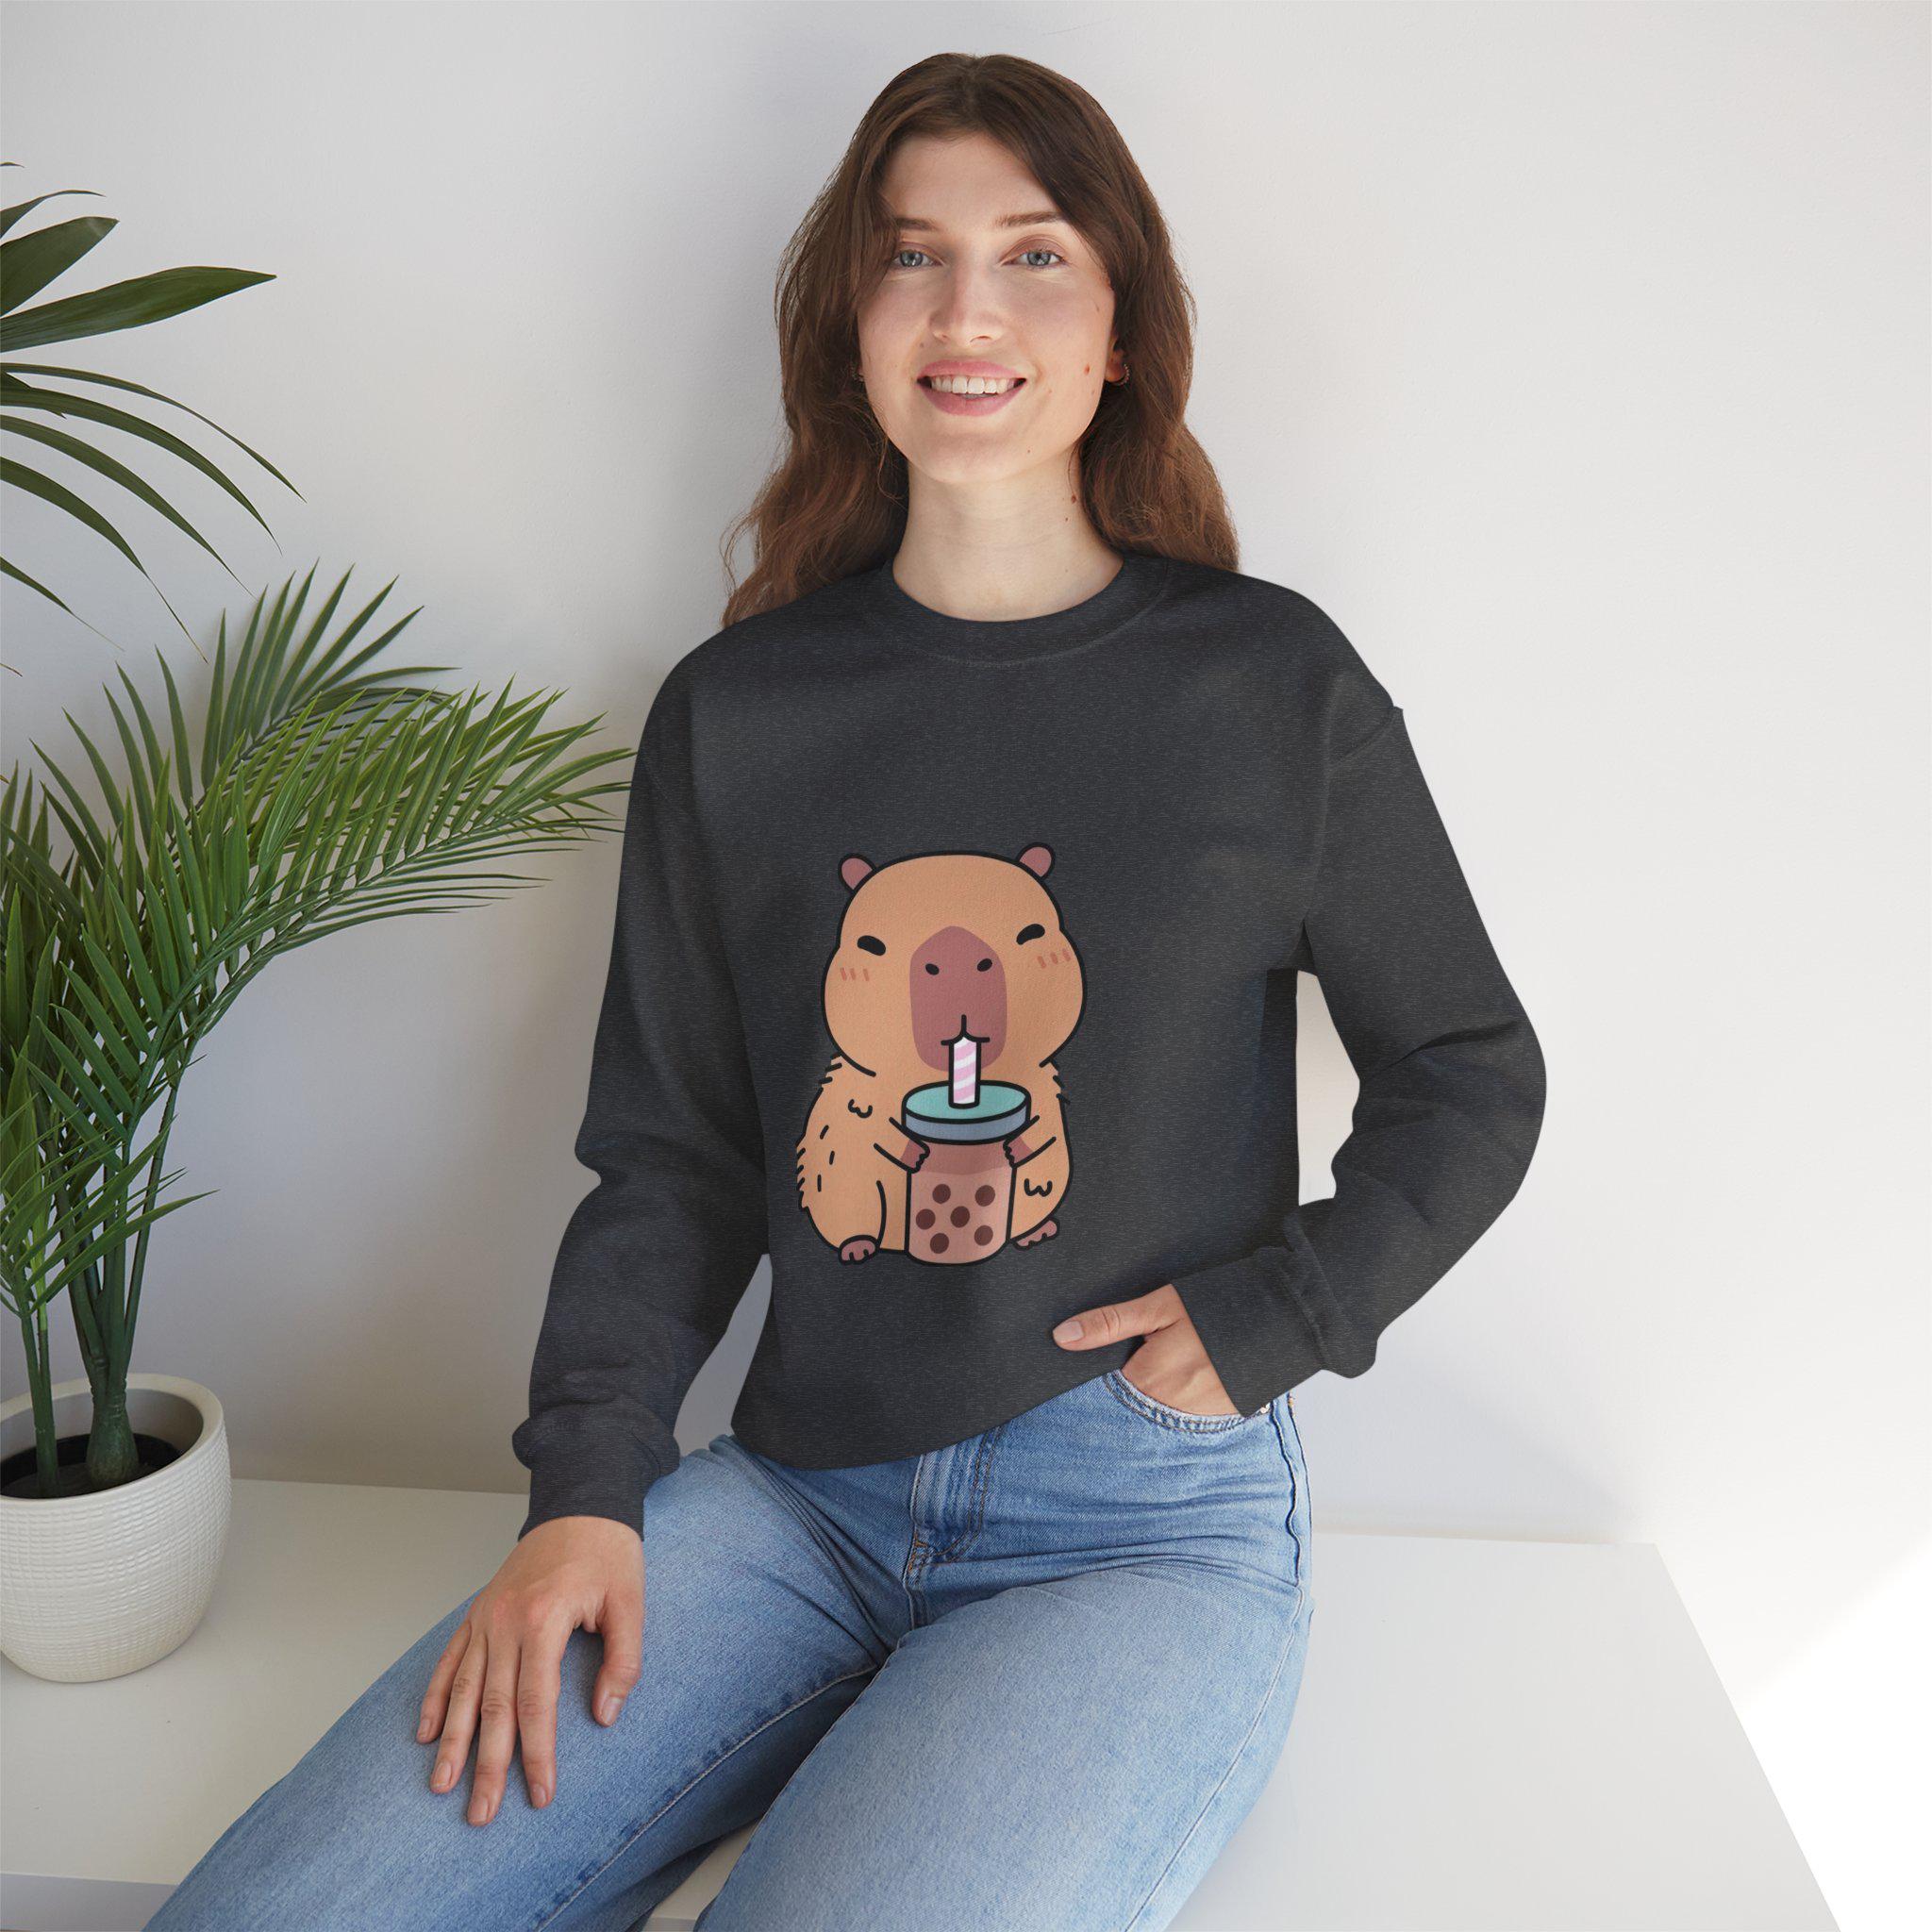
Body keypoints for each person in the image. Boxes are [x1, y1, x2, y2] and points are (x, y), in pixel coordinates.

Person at [147, 51, 1545, 1932]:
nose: (967, 309)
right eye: (911, 256)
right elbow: (677, 1155)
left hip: (1136, 1525)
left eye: (1032, 255)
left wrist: (1285, 1308)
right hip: (794, 1496)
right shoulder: (740, 712)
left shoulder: (1269, 688)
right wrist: (585, 1491)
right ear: (851, 324)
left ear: (1119, 329)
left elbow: (1469, 1069)